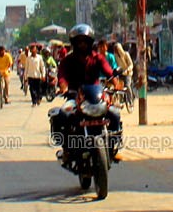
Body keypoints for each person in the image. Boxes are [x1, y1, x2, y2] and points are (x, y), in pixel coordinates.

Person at [50, 24, 122, 155]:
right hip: (74, 96)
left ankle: (113, 147)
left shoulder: (98, 58)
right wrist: (63, 86)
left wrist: (114, 81)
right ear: (74, 43)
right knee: (63, 114)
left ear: (90, 42)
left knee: (114, 114)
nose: (82, 45)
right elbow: (62, 75)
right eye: (79, 42)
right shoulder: (68, 60)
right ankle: (67, 149)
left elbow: (108, 71)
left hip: (96, 96)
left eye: (85, 42)